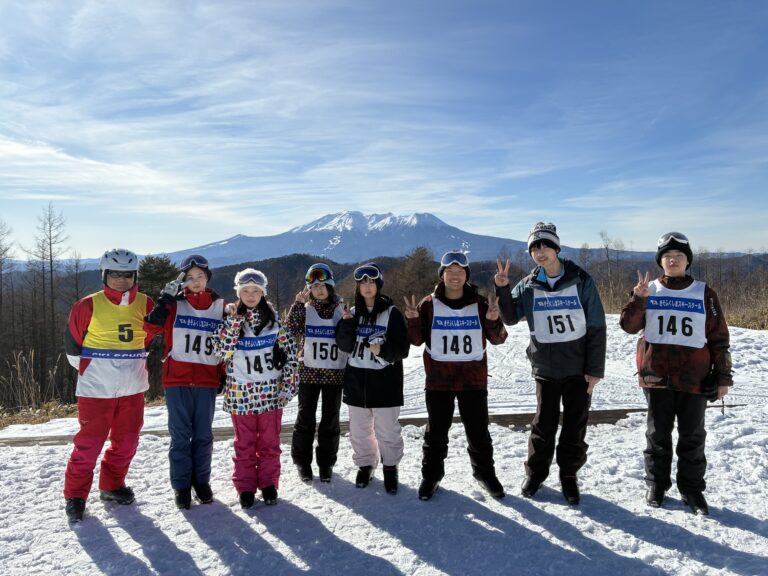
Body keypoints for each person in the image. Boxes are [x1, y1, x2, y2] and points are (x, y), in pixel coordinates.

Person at [620, 232, 733, 515]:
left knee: (693, 436)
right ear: (660, 261)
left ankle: (692, 489)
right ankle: (656, 484)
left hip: (694, 378)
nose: (673, 260)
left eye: (679, 256)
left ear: (687, 261)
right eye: (667, 256)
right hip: (657, 376)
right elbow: (629, 326)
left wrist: (723, 376)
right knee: (657, 435)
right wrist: (637, 299)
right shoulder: (649, 290)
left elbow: (719, 338)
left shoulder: (704, 293)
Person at [494, 222, 606, 506]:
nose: (540, 252)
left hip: (578, 369)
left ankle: (569, 476)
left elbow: (596, 326)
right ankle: (535, 474)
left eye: (545, 246)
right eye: (534, 248)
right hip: (545, 368)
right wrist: (503, 289)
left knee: (574, 425)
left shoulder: (581, 280)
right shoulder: (529, 284)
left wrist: (594, 370)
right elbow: (510, 317)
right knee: (542, 425)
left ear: (556, 248)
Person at [404, 250, 507, 501]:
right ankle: (431, 475)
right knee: (436, 433)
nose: (455, 276)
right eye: (450, 272)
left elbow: (499, 339)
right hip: (439, 380)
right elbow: (416, 341)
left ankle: (485, 474)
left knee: (478, 432)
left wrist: (493, 321)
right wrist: (414, 321)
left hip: (473, 379)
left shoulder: (481, 304)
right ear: (442, 276)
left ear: (466, 276)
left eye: (460, 272)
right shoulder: (428, 304)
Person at [63, 248, 154, 523]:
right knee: (88, 444)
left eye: (127, 274)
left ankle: (112, 486)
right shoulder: (87, 305)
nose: (121, 279)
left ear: (135, 275)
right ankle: (75, 496)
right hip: (96, 389)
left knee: (127, 442)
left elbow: (149, 339)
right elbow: (73, 347)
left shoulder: (147, 304)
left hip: (132, 387)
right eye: (115, 274)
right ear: (104, 274)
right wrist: (96, 371)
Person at [144, 255, 225, 510]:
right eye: (190, 277)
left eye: (200, 276)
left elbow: (227, 342)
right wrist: (163, 302)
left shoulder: (220, 305)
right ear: (183, 281)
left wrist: (222, 372)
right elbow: (149, 330)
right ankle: (181, 486)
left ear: (207, 278)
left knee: (203, 435)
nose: (196, 281)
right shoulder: (174, 305)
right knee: (180, 437)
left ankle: (201, 482)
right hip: (177, 380)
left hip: (206, 380)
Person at [213, 269, 298, 508]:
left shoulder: (275, 322)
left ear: (263, 293)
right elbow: (222, 352)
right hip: (241, 393)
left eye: (256, 291)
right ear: (238, 292)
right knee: (245, 444)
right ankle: (245, 486)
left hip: (270, 393)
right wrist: (233, 324)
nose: (250, 295)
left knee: (270, 442)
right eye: (245, 291)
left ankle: (269, 483)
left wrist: (288, 388)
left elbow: (291, 355)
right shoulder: (230, 319)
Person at [336, 263, 410, 494]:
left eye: (371, 282)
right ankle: (365, 465)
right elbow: (344, 346)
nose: (367, 287)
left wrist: (383, 351)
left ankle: (390, 467)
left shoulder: (391, 313)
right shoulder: (351, 314)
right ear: (358, 287)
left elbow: (402, 349)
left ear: (378, 285)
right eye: (362, 283)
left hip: (385, 383)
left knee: (387, 430)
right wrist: (347, 324)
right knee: (359, 431)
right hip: (356, 381)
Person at [286, 263, 348, 483]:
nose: (319, 289)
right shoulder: (305, 308)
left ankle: (326, 463)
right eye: (314, 286)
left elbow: (350, 335)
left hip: (334, 374)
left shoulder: (342, 308)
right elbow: (290, 330)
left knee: (330, 420)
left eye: (323, 285)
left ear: (330, 286)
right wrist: (297, 304)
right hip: (309, 372)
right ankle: (302, 462)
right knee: (305, 418)